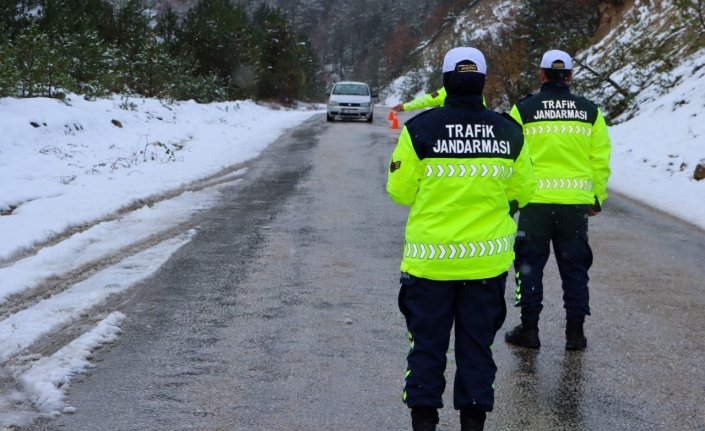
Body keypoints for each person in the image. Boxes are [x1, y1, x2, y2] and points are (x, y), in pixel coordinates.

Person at [387, 47, 535, 431]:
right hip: (486, 266)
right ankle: (472, 422)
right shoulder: (508, 131)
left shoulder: (419, 129)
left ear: (445, 81)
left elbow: (400, 192)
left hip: (429, 265)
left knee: (427, 347)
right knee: (476, 349)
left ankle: (424, 422)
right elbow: (525, 189)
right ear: (482, 82)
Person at [504, 49, 611, 351]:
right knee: (575, 270)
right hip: (574, 206)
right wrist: (596, 198)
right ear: (571, 76)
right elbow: (599, 160)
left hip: (534, 204)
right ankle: (575, 335)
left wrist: (513, 201)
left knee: (529, 267)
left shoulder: (523, 110)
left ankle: (529, 330)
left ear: (541, 74)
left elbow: (511, 157)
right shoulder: (590, 112)